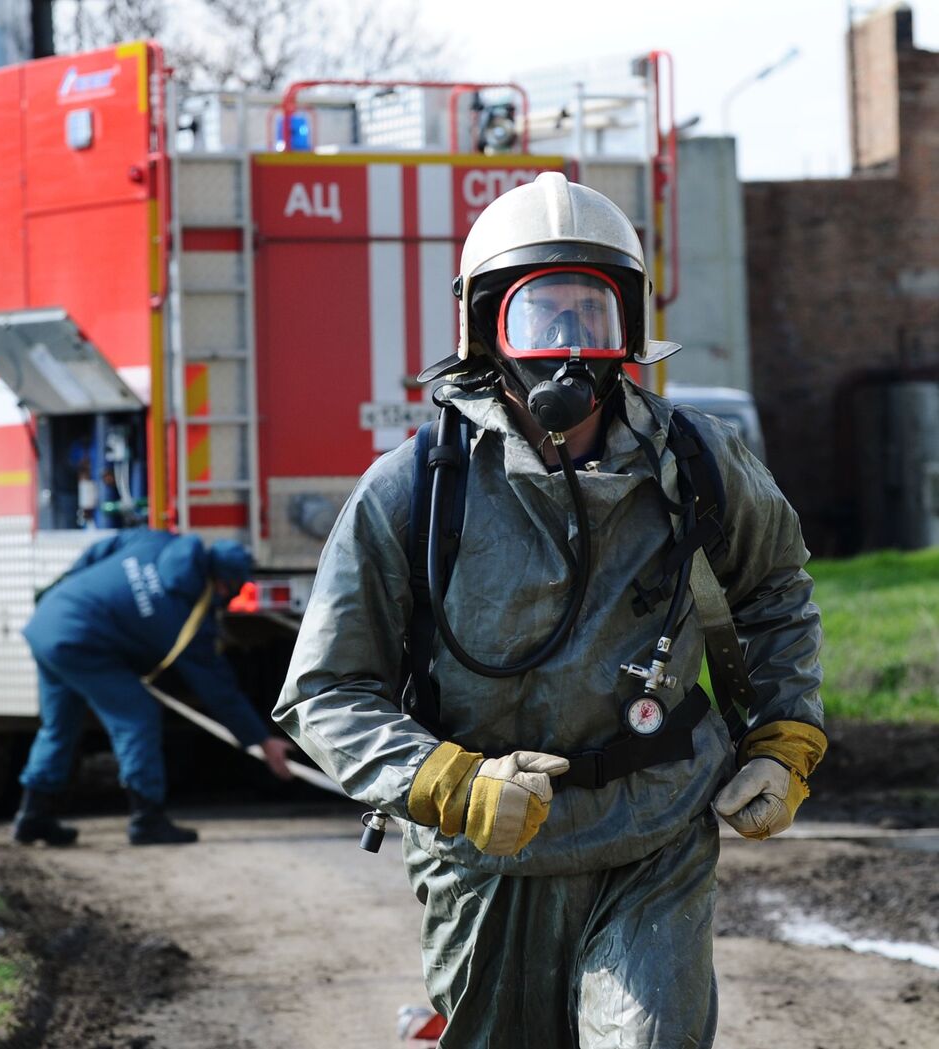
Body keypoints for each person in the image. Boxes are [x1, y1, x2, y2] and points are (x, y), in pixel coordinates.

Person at [274, 172, 826, 1047]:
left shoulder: (699, 466)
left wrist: (784, 735)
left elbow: (774, 590)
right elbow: (325, 691)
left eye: (591, 315)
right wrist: (447, 785)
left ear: (630, 332)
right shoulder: (413, 491)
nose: (568, 346)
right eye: (542, 315)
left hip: (654, 832)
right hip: (485, 857)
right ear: (487, 332)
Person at [15, 529, 293, 846]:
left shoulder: (158, 541)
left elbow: (103, 547)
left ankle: (33, 816)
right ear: (224, 583)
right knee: (137, 716)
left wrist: (69, 584)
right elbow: (220, 692)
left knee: (58, 728)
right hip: (78, 640)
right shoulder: (186, 619)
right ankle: (146, 819)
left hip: (49, 617)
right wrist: (261, 740)